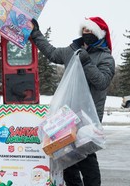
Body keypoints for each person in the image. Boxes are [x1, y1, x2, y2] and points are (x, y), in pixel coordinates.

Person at [30, 16, 115, 186]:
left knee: (87, 156)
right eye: (84, 30)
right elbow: (52, 53)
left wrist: (86, 62)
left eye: (90, 31)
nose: (86, 33)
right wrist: (35, 34)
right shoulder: (73, 50)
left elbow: (101, 82)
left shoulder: (106, 58)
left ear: (100, 34)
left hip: (88, 116)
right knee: (65, 154)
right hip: (68, 114)